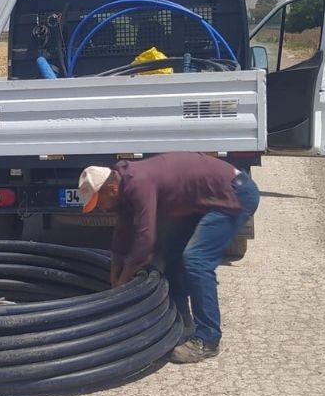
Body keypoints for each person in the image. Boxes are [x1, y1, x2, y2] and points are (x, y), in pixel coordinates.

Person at [77, 152, 259, 363]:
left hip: (235, 194)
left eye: (100, 202)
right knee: (171, 251)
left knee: (196, 260)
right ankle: (181, 320)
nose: (102, 208)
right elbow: (122, 234)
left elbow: (145, 242)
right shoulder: (123, 186)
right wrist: (114, 276)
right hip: (203, 201)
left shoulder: (138, 183)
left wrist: (123, 282)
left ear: (112, 189)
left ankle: (208, 340)